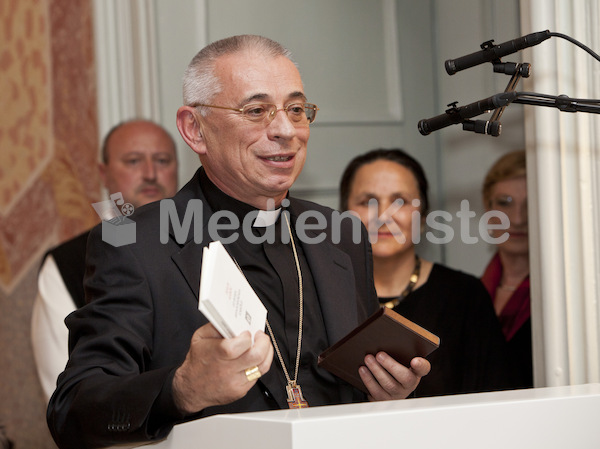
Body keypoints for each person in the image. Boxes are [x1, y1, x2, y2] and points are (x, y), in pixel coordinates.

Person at [46, 35, 430, 448]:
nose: (286, 130)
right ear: (195, 129)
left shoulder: (342, 235)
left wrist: (383, 392)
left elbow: (357, 388)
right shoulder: (135, 245)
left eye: (296, 110)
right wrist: (181, 389)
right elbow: (72, 410)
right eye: (256, 111)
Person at [340, 148, 511, 397]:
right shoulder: (321, 297)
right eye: (368, 202)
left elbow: (496, 400)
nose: (384, 215)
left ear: (423, 216)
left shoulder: (465, 297)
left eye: (400, 201)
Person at [31, 119, 179, 402]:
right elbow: (67, 401)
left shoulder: (209, 245)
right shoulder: (67, 265)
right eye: (133, 161)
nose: (150, 174)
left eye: (162, 160)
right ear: (104, 173)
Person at [480, 150, 532, 388]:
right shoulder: (469, 292)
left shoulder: (569, 296)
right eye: (505, 203)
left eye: (532, 205)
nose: (518, 218)